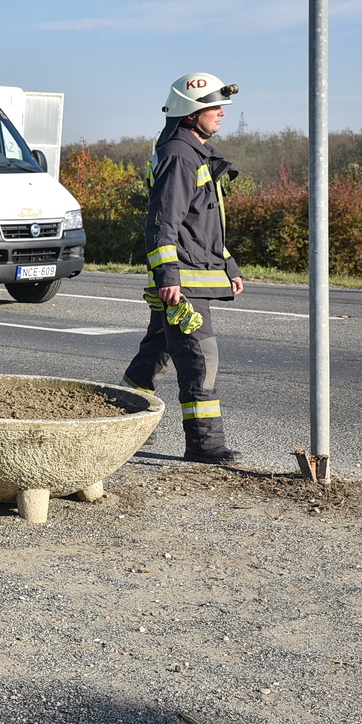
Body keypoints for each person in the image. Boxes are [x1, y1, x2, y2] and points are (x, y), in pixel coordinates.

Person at [121, 73, 244, 464]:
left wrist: (229, 265)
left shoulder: (193, 153)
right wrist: (168, 279)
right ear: (190, 115)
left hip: (192, 276)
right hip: (183, 284)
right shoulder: (180, 155)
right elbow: (163, 223)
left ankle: (119, 425)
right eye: (212, 106)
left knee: (152, 358)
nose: (221, 112)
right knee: (200, 359)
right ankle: (205, 445)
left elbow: (203, 224)